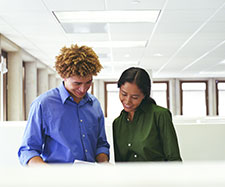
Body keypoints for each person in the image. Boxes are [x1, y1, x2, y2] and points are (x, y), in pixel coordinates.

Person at [18, 44, 110, 165]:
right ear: (63, 76)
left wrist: (105, 164)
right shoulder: (43, 104)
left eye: (88, 82)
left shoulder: (94, 104)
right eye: (77, 83)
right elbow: (28, 151)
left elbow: (101, 144)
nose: (83, 89)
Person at [113, 67, 182, 162]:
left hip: (157, 176)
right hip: (127, 176)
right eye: (124, 94)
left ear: (144, 95)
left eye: (135, 97)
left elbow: (173, 159)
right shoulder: (117, 123)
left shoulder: (160, 115)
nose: (127, 101)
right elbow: (119, 163)